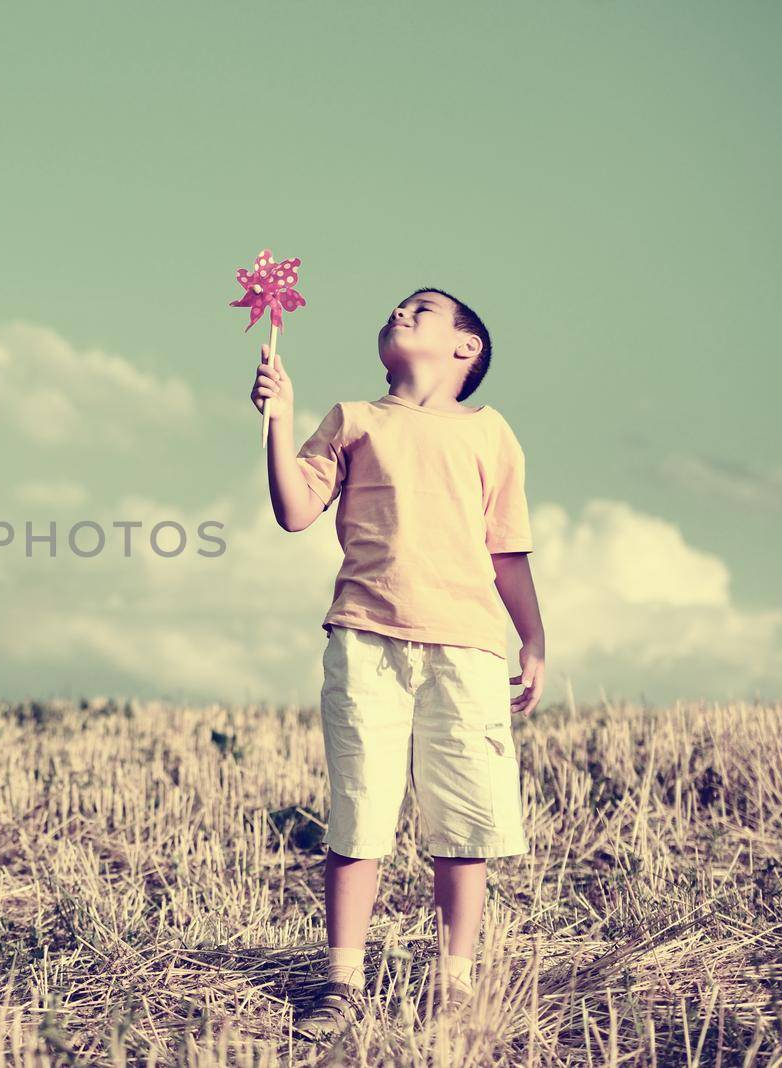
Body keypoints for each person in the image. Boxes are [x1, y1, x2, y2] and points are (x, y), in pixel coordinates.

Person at [250, 288, 547, 1040]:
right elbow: (293, 510)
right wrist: (279, 420)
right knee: (361, 809)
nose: (401, 313)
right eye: (398, 308)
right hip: (365, 638)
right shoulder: (354, 419)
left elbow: (506, 551)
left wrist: (533, 640)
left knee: (463, 821)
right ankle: (341, 984)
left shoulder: (492, 433)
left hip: (468, 647)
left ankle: (454, 983)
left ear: (466, 347)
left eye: (423, 308)